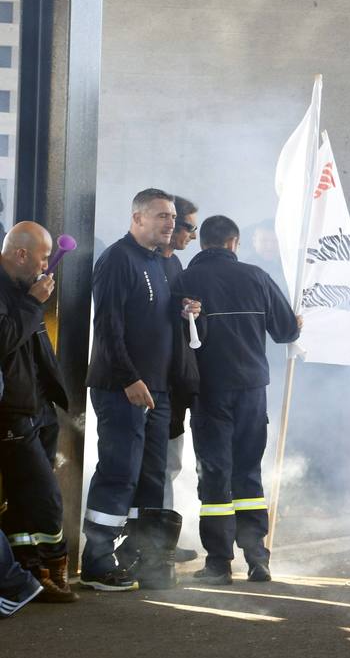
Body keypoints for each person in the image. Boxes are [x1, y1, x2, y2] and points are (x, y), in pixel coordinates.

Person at [81, 188, 200, 591]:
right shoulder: (117, 259)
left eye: (172, 216)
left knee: (151, 477)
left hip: (160, 390)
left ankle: (144, 559)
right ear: (137, 219)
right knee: (119, 472)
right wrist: (129, 378)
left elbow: (165, 319)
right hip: (122, 387)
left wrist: (186, 310)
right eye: (161, 216)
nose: (170, 223)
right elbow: (109, 327)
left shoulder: (167, 264)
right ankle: (96, 562)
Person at [174, 215, 301, 584]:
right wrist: (298, 323)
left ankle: (218, 564)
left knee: (215, 475)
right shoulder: (257, 277)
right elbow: (285, 331)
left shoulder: (185, 279)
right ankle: (258, 558)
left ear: (204, 244)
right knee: (248, 473)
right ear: (234, 243)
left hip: (209, 390)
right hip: (251, 391)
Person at [0, 222, 75, 603]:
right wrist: (33, 303)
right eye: (44, 257)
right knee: (45, 494)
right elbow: (4, 339)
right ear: (20, 254)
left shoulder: (24, 286)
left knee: (26, 495)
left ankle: (31, 571)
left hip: (39, 405)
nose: (48, 266)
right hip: (13, 410)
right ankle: (52, 566)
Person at [160, 197, 200, 534]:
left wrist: (186, 308)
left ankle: (163, 540)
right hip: (152, 384)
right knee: (155, 465)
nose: (192, 235)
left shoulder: (175, 267)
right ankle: (151, 542)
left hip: (174, 382)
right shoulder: (142, 262)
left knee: (170, 464)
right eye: (189, 227)